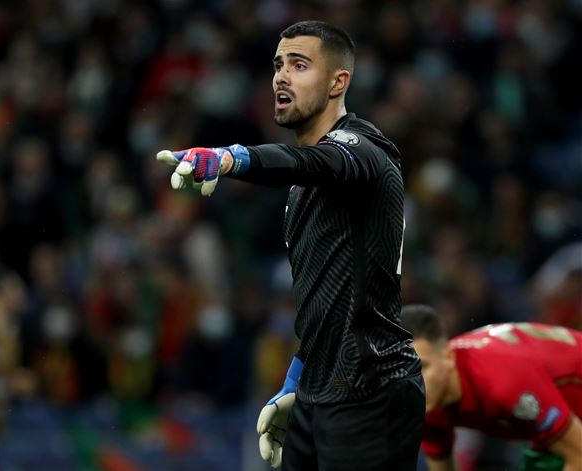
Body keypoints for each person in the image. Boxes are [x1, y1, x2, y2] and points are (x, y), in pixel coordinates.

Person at [155, 20, 424, 470]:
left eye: (299, 65)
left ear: (339, 81)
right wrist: (297, 381)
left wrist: (230, 157)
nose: (281, 76)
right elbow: (330, 299)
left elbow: (319, 161)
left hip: (371, 388)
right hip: (320, 389)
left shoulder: (363, 150)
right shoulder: (302, 187)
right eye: (278, 65)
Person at [401, 305, 582, 471]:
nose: (415, 382)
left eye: (422, 367)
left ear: (448, 357)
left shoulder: (501, 378)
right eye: (404, 371)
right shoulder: (429, 405)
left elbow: (579, 456)